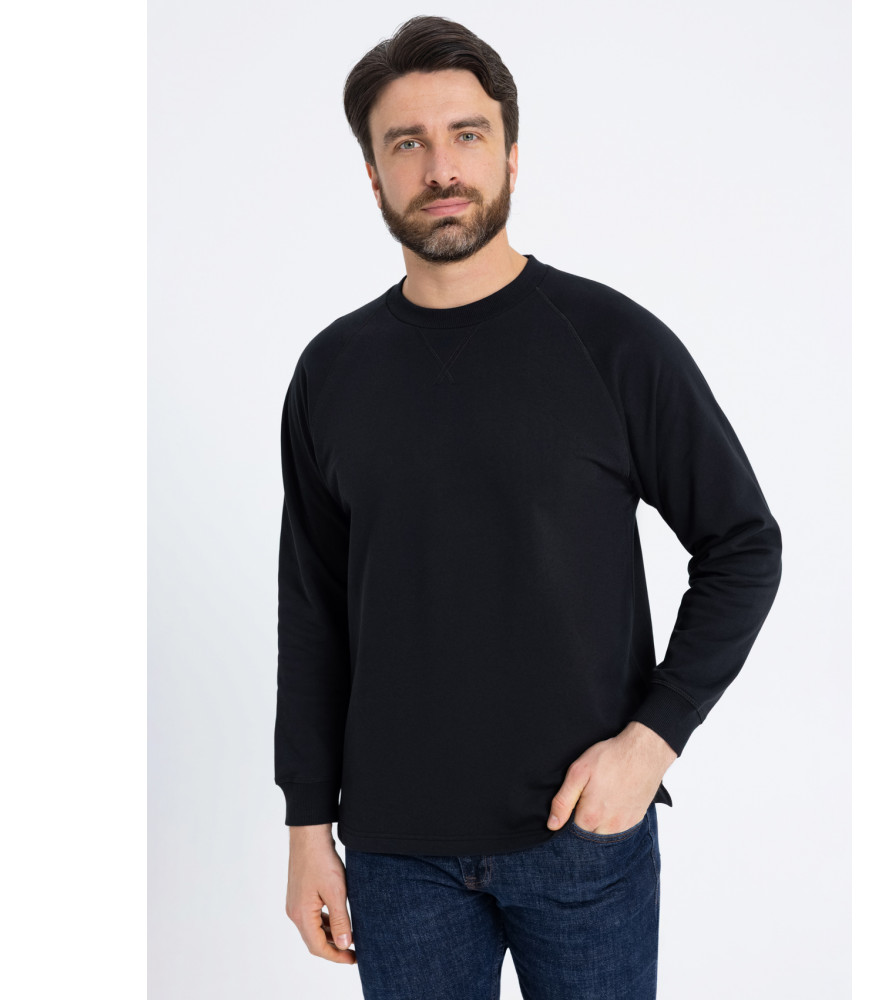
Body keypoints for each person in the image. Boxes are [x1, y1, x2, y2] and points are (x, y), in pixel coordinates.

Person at [274, 14, 782, 999]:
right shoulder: (331, 372)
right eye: (407, 143)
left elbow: (742, 544)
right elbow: (314, 609)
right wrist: (306, 829)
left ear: (510, 153)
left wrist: (652, 742)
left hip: (581, 836)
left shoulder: (612, 343)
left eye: (466, 134)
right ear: (372, 176)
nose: (441, 167)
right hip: (395, 857)